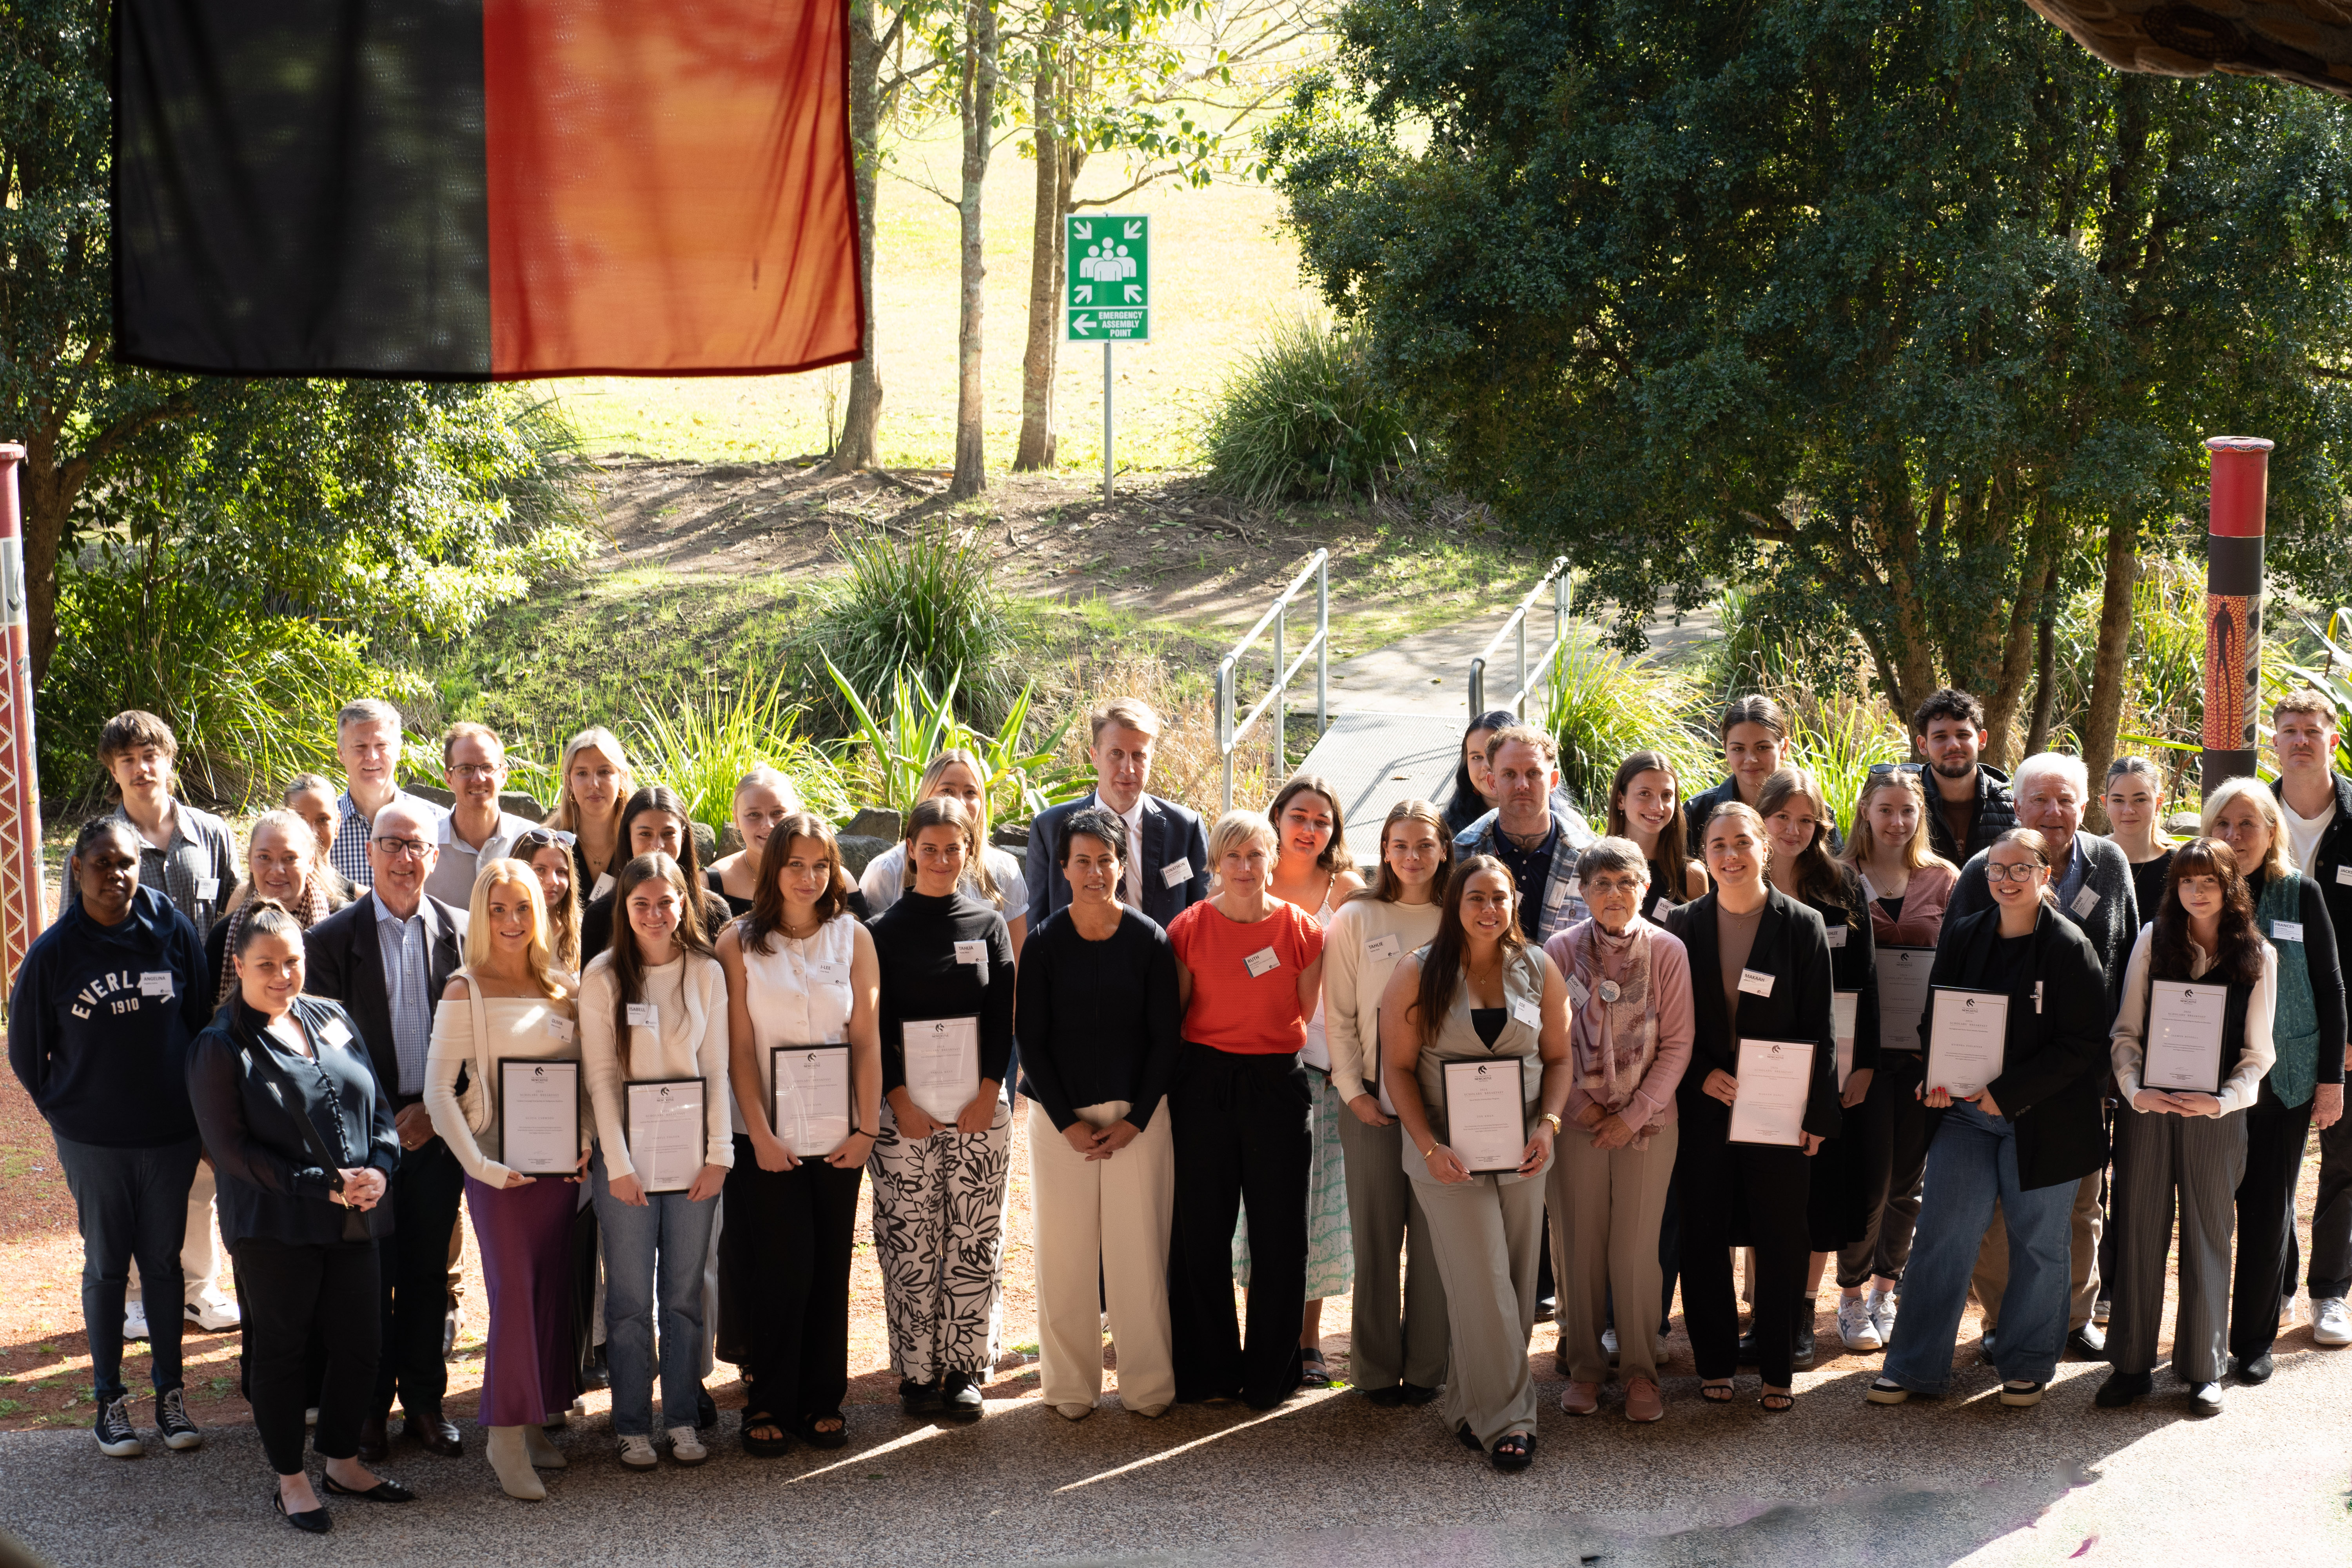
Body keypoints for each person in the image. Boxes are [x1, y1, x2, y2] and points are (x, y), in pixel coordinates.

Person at [1865, 828, 2110, 1409]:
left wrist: (2012, 1092)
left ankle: (2027, 1363)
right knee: (1943, 1238)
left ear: (2045, 876)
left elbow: (2085, 1046)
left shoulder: (2071, 947)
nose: (2006, 880)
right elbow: (1935, 1017)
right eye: (1997, 871)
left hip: (2045, 1120)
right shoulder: (1967, 934)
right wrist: (1936, 1071)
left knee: (2039, 1244)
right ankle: (1913, 1365)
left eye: (2021, 869)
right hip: (1966, 1116)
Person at [187, 901, 411, 1530]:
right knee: (284, 1353)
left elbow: (380, 1109)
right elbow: (232, 1154)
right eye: (267, 965)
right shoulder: (220, 1045)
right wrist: (324, 1186)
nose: (283, 976)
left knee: (363, 1343)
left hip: (354, 1216)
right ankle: (290, 1480)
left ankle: (341, 1460)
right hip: (276, 1224)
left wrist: (382, 1169)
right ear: (238, 966)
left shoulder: (331, 1016)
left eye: (292, 961)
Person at [9, 818, 210, 1459]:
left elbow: (200, 1016)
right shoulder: (55, 951)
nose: (116, 875)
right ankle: (109, 1402)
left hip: (170, 1135)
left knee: (162, 1263)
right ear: (77, 869)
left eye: (126, 863)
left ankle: (171, 1396)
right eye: (102, 864)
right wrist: (68, 1114)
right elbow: (23, 1049)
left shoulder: (169, 927)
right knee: (106, 1265)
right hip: (94, 1142)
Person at [1377, 855, 1570, 1468]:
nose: (1490, 910)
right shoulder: (1418, 973)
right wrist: (1429, 1148)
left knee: (1512, 1282)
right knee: (1483, 1279)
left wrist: (1551, 1124)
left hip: (1522, 1152)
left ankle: (1466, 1402)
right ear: (1454, 906)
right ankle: (1510, 1420)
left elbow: (1561, 1060)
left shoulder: (1538, 969)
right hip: (1446, 1158)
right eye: (1476, 899)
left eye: (1500, 898)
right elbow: (1398, 1069)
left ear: (1515, 902)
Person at [1945, 752, 2138, 1360]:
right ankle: (2004, 1320)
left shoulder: (2109, 862)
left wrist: (2117, 1064)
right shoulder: (1985, 867)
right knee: (1999, 1212)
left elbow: (2130, 955)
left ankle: (2075, 1317)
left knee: (2081, 1202)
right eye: (2040, 800)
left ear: (2086, 805)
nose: (2053, 812)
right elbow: (1955, 971)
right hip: (1995, 1078)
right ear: (2017, 805)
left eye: (2066, 800)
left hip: (2081, 1073)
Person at [59, 712, 240, 1339]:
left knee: (197, 1164)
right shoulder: (94, 843)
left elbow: (231, 924)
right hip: (122, 1032)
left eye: (151, 754)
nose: (142, 768)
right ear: (113, 772)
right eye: (127, 759)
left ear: (171, 759)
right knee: (130, 1160)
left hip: (197, 1028)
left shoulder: (213, 834)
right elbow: (71, 940)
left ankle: (199, 1287)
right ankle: (135, 1292)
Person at [303, 797, 470, 1461]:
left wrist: (435, 1110)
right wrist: (380, 1129)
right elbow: (321, 1055)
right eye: (391, 845)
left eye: (417, 847)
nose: (405, 858)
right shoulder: (330, 942)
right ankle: (369, 1409)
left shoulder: (462, 935)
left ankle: (426, 1406)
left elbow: (477, 1047)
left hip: (438, 1128)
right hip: (364, 1137)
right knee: (368, 1278)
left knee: (429, 1275)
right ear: (368, 852)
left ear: (435, 857)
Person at [1661, 802, 1839, 1412]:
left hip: (1780, 1110)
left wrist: (1818, 1116)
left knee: (1782, 1234)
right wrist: (1702, 1077)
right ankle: (1713, 1362)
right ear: (1703, 855)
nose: (1730, 856)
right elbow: (1667, 1027)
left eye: (1743, 843)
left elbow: (1821, 1026)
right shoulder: (1682, 926)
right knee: (1703, 1235)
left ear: (1767, 848)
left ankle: (1777, 1370)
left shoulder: (1803, 925)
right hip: (1704, 1108)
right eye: (1717, 845)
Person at [717, 813, 881, 1454]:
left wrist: (868, 1127)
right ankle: (768, 1403)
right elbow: (739, 1051)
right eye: (796, 865)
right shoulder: (738, 942)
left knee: (827, 1267)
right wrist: (758, 1133)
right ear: (772, 869)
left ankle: (822, 1399)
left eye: (821, 865)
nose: (809, 877)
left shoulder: (854, 940)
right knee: (777, 1270)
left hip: (841, 1134)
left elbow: (865, 1040)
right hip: (767, 1137)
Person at [422, 860, 586, 1501]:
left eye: (523, 908)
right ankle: (505, 1439)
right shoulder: (467, 989)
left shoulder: (561, 987)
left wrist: (587, 1143)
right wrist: (482, 1168)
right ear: (483, 917)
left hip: (557, 1172)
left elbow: (586, 1080)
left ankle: (538, 1419)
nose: (513, 921)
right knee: (516, 1297)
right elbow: (440, 1095)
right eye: (499, 910)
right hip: (497, 1172)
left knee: (549, 1293)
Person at [2099, 838, 2278, 1416]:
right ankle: (2130, 1365)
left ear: (2231, 888)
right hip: (2148, 1109)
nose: (2196, 893)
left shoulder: (2257, 955)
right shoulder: (2155, 939)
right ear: (2174, 888)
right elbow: (2126, 1031)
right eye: (2186, 882)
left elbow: (2259, 1054)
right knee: (2140, 1228)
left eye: (2209, 882)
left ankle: (2204, 1368)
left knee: (2207, 1235)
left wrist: (2225, 1101)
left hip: (2216, 1117)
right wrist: (2135, 1091)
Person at [1016, 807, 1183, 1419]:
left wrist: (1136, 1119)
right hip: (1060, 1123)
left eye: (1106, 861)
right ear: (1063, 868)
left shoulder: (1150, 940)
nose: (1094, 872)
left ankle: (1147, 1387)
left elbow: (1167, 1038)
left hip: (1139, 1120)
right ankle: (1069, 1388)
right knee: (1064, 1259)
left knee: (1139, 1257)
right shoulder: (1042, 944)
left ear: (1123, 866)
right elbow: (1030, 1040)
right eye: (1082, 861)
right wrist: (1066, 1122)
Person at [1165, 811, 1327, 1410]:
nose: (1243, 868)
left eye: (1255, 855)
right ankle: (1209, 1371)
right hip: (1203, 1086)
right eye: (1231, 856)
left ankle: (1271, 1375)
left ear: (1272, 860)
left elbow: (1301, 1012)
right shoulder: (1186, 928)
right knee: (1201, 1233)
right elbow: (1180, 1013)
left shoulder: (1303, 931)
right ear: (1215, 863)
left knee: (1281, 1236)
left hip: (1276, 1088)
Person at [580, 853, 732, 1469]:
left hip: (694, 1159)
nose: (653, 914)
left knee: (685, 1295)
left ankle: (682, 1420)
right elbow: (601, 1080)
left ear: (683, 904)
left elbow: (718, 1070)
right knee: (628, 1299)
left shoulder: (706, 973)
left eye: (665, 902)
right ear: (625, 910)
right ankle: (631, 1424)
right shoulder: (604, 977)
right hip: (627, 1165)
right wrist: (618, 1164)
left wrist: (719, 1155)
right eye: (640, 904)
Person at [869, 797, 1017, 1420]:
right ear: (909, 849)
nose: (940, 859)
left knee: (973, 1239)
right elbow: (872, 1026)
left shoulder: (989, 925)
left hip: (979, 1109)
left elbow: (1001, 1016)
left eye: (952, 848)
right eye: (928, 848)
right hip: (903, 1112)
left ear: (969, 849)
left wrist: (988, 1091)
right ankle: (917, 1372)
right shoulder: (880, 933)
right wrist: (899, 1098)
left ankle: (963, 1368)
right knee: (911, 1241)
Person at [1543, 838, 1692, 1423]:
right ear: (1582, 892)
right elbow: (1547, 1044)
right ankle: (1584, 1366)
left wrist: (1630, 1116)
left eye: (1625, 882)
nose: (1613, 894)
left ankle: (1638, 1372)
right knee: (1578, 1246)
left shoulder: (1669, 952)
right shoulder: (1558, 951)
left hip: (1649, 1125)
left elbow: (1679, 1043)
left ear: (1645, 888)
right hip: (1575, 1121)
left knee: (1635, 1252)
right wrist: (1586, 1112)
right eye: (1600, 884)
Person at [2201, 780, 2345, 1381]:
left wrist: (2331, 1079)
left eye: (2248, 825)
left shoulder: (2299, 893)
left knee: (2267, 1211)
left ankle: (2253, 1343)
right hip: (2207, 1080)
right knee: (2213, 1215)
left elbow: (2331, 989)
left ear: (2270, 830)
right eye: (2225, 826)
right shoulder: (2196, 890)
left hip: (2284, 1080)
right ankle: (2200, 1341)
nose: (2235, 838)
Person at [1234, 775, 1365, 1389]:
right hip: (1261, 1067)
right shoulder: (1249, 877)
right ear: (1278, 818)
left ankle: (1309, 1340)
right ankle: (1260, 1338)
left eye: (1323, 820)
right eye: (1300, 816)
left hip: (1332, 1067)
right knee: (1259, 1209)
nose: (1310, 829)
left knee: (1318, 1210)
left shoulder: (1348, 891)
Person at [1323, 800, 1452, 1407]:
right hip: (1372, 1104)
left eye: (1424, 845)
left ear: (1444, 850)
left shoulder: (1462, 915)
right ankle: (1374, 1368)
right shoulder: (1357, 918)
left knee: (1434, 1241)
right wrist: (1353, 1092)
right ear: (1384, 852)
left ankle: (1429, 1367)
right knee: (1376, 1237)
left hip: (1446, 1108)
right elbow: (1340, 1015)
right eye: (1400, 846)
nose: (1412, 857)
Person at [1758, 767, 1878, 1370]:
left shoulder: (1844, 887)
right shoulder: (1739, 880)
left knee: (1819, 1192)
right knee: (1763, 1188)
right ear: (1762, 817)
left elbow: (1869, 981)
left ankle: (1803, 1312)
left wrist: (1865, 1068)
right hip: (1757, 1067)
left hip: (1833, 1065)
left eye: (1807, 820)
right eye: (1783, 818)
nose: (1795, 830)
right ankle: (1763, 1314)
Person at [1837, 768, 1959, 1350]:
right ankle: (1852, 1294)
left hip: (1920, 1055)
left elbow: (1959, 970)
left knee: (1908, 1180)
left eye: (1908, 811)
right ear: (1865, 810)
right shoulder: (1838, 878)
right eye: (1886, 809)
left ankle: (1888, 1288)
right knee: (1864, 1177)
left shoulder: (1944, 880)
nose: (1897, 822)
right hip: (1858, 1054)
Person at [2269, 688, 2352, 1347]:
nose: (2302, 740)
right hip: (2260, 1026)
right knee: (2270, 1163)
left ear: (2332, 738)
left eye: (2313, 729)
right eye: (2289, 729)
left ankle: (2331, 1293)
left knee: (2345, 1162)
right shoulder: (2249, 813)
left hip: (2343, 1022)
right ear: (2275, 740)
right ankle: (2279, 1287)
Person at [1026, 697, 1211, 929]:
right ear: (1094, 757)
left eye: (1138, 755)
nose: (1128, 769)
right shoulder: (1050, 828)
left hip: (1162, 962)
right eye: (1116, 753)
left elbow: (1203, 918)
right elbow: (1036, 923)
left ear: (1151, 758)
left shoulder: (1185, 828)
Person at [862, 748, 1030, 954]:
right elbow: (867, 958)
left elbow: (1017, 963)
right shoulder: (886, 871)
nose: (959, 802)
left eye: (970, 792)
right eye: (947, 791)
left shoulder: (1004, 871)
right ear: (926, 795)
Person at [1451, 724, 1595, 941]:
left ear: (1553, 781)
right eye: (1509, 774)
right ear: (1492, 782)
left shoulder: (1591, 859)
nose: (1522, 785)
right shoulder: (1461, 854)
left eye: (1534, 773)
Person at [206, 809, 350, 1004]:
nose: (277, 870)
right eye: (264, 857)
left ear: (310, 862)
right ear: (250, 860)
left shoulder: (343, 925)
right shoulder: (224, 938)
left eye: (290, 858)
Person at [579, 787, 728, 965]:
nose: (658, 845)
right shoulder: (600, 916)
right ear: (629, 837)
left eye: (668, 834)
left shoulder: (715, 912)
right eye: (645, 834)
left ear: (683, 836)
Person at [424, 723, 541, 909]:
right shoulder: (425, 845)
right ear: (449, 779)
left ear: (504, 775)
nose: (478, 778)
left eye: (488, 767)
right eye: (465, 769)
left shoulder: (532, 840)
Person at [330, 699, 442, 893]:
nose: (372, 756)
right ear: (341, 753)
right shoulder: (324, 827)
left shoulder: (438, 822)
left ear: (399, 750)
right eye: (360, 747)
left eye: (381, 745)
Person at [1901, 689, 2017, 866]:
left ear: (1982, 739)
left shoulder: (2012, 809)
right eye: (1940, 737)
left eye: (1963, 735)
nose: (1953, 745)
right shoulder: (1901, 804)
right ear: (1923, 745)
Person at [1606, 751, 1706, 918]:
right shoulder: (1593, 867)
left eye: (1667, 796)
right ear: (1620, 800)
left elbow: (1699, 944)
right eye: (1644, 794)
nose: (1657, 806)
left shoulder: (1692, 876)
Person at [1682, 695, 1794, 838]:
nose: (1751, 759)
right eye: (1739, 749)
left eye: (1763, 748)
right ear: (1726, 751)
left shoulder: (1811, 811)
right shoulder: (1697, 812)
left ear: (1784, 748)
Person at [546, 726, 635, 901]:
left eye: (604, 772)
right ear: (568, 782)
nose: (593, 784)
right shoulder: (548, 844)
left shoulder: (640, 842)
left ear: (622, 778)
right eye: (582, 773)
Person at [704, 766, 802, 916]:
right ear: (736, 819)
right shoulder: (711, 883)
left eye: (778, 813)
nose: (768, 825)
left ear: (797, 812)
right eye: (754, 814)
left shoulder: (831, 880)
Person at [2105, 757, 2178, 922]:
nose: (2128, 810)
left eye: (2140, 800)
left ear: (2159, 803)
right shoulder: (2088, 857)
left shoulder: (2178, 865)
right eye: (2118, 800)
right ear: (2105, 804)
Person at [513, 828, 586, 975]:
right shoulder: (504, 930)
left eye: (561, 872)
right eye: (540, 870)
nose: (553, 881)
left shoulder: (582, 930)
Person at [285, 774, 363, 905]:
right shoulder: (257, 894)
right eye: (300, 820)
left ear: (337, 823)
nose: (312, 832)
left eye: (323, 820)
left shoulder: (363, 902)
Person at [1442, 709, 1518, 839]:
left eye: (1494, 754)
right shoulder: (1445, 830)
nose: (1486, 765)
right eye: (1477, 757)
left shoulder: (1558, 825)